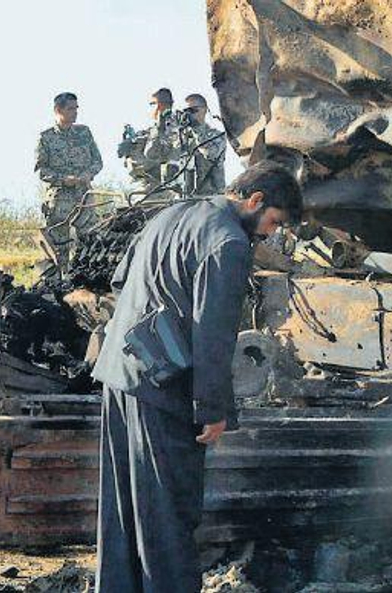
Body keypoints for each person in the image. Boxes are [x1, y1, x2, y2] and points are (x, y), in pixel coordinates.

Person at [91, 161, 303, 593]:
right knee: (170, 512)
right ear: (254, 200)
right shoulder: (229, 243)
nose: (269, 233)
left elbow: (119, 281)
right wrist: (212, 409)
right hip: (164, 389)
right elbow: (214, 335)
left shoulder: (171, 213)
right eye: (273, 221)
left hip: (120, 374)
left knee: (123, 510)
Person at [34, 92, 103, 273]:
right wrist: (63, 180)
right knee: (59, 248)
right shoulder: (46, 138)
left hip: (84, 196)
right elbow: (41, 170)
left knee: (90, 242)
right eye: (70, 109)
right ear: (58, 110)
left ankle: (86, 281)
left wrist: (88, 174)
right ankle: (59, 287)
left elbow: (98, 161)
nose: (75, 112)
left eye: (76, 108)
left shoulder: (84, 133)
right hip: (59, 200)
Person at [119, 88, 181, 200]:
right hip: (147, 188)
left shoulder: (176, 129)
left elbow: (152, 155)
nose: (150, 108)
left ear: (160, 105)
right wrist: (129, 148)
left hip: (165, 192)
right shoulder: (151, 130)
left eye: (152, 104)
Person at [181, 94, 227, 195]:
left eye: (193, 110)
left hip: (210, 198)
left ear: (205, 110)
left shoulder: (217, 136)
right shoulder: (182, 137)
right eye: (186, 111)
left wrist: (197, 128)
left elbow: (210, 154)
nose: (190, 115)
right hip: (185, 199)